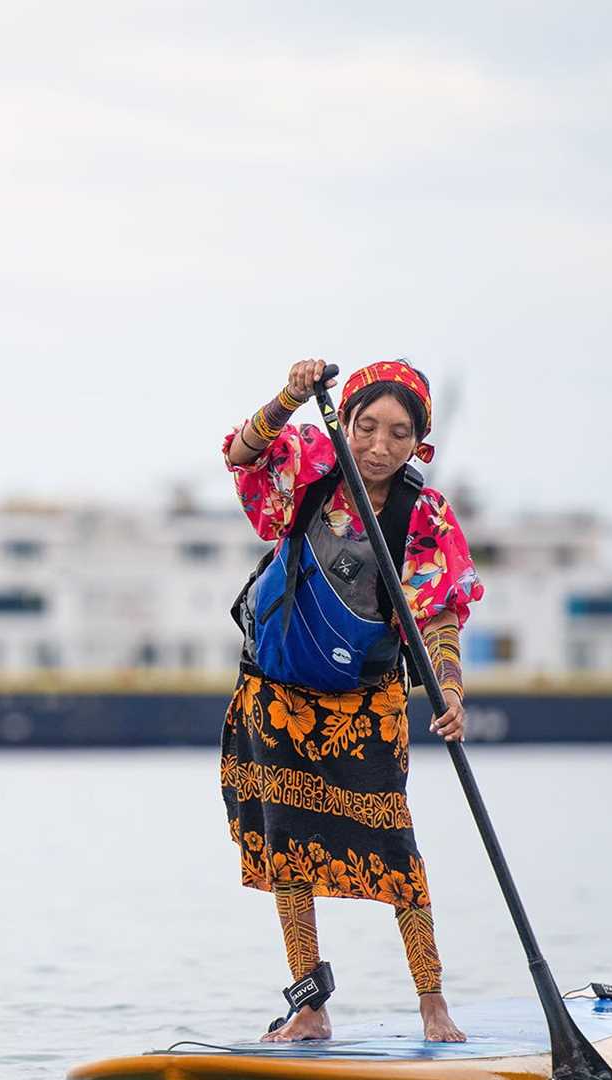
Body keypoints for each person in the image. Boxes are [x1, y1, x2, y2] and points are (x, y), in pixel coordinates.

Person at [221, 357, 483, 1043]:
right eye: (365, 426)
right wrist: (289, 397)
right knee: (290, 854)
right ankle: (309, 1007)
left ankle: (433, 1004)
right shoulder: (311, 464)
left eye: (399, 434)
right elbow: (241, 455)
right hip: (277, 694)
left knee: (396, 851)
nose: (378, 446)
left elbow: (439, 616)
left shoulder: (422, 513)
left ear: (419, 443)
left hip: (366, 705)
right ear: (346, 423)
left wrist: (448, 692)